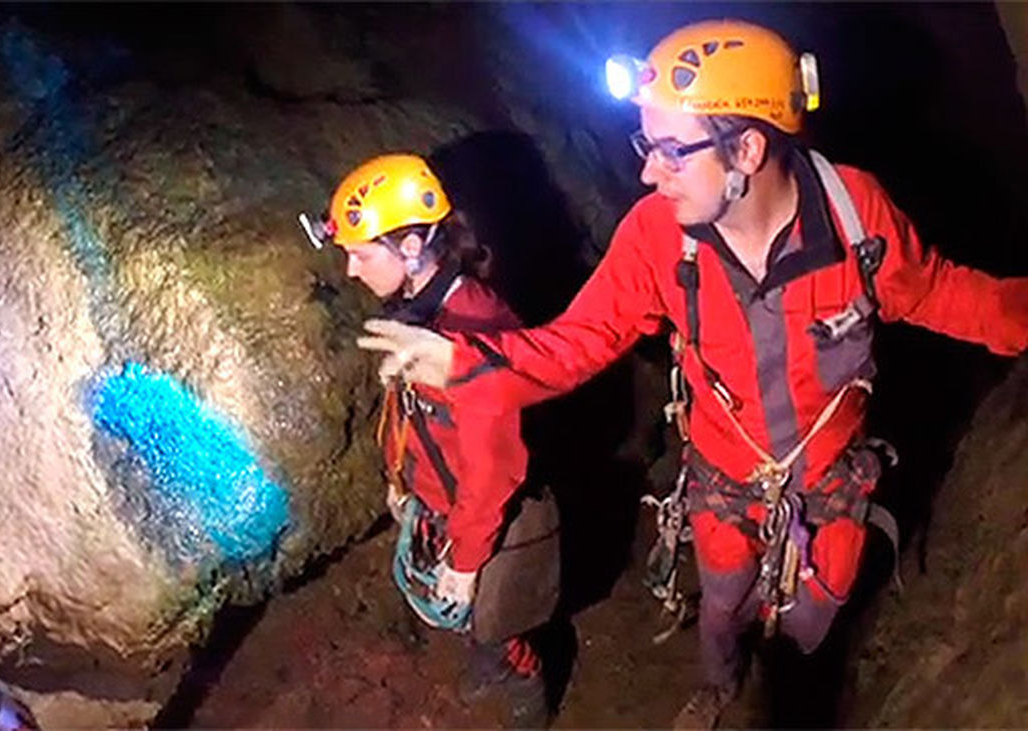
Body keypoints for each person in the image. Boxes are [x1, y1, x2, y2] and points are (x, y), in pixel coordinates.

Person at [356, 20, 1028, 730]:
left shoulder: (851, 215)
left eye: (670, 152)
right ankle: (718, 684)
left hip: (829, 490)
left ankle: (785, 694)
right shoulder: (656, 238)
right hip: (722, 484)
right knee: (720, 602)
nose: (648, 171)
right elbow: (576, 343)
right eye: (645, 146)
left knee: (810, 619)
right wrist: (469, 362)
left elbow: (941, 293)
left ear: (745, 149)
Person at [302, 153, 561, 727]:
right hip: (438, 498)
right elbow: (411, 412)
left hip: (481, 513)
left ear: (413, 247)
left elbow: (494, 470)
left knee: (491, 617)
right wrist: (402, 483)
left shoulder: (476, 329)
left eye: (361, 254)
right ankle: (489, 656)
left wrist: (467, 563)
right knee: (468, 618)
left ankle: (523, 682)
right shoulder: (419, 310)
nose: (350, 271)